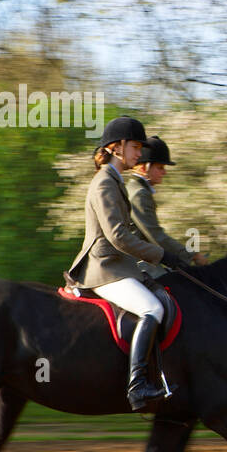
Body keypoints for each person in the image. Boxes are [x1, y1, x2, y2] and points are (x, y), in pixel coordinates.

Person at [65, 116, 174, 412]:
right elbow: (117, 236)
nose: (140, 154)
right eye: (135, 146)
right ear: (116, 147)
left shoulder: (115, 181)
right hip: (104, 268)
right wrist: (159, 254)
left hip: (118, 265)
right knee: (152, 308)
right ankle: (137, 386)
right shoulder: (104, 182)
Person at [126, 135, 207, 278]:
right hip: (136, 264)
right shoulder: (139, 194)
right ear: (144, 168)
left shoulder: (135, 189)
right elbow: (156, 236)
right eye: (160, 167)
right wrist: (192, 256)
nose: (164, 172)